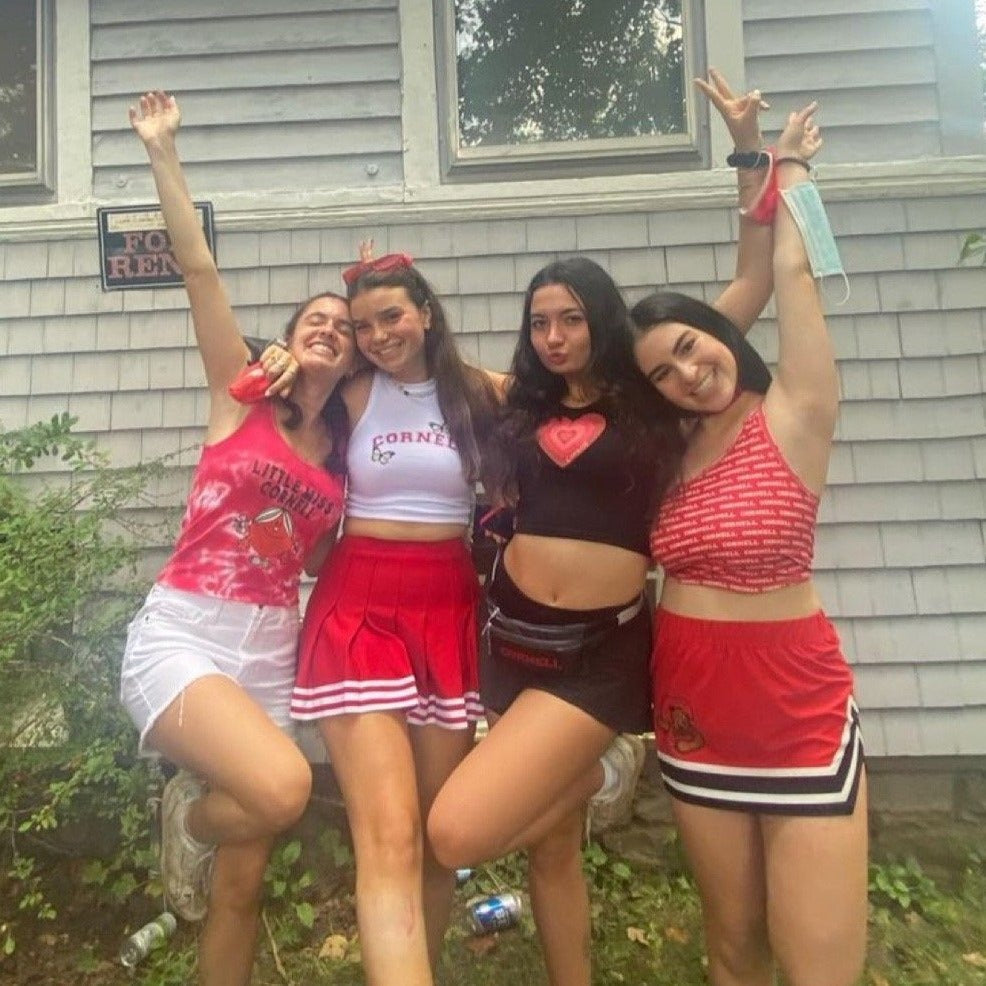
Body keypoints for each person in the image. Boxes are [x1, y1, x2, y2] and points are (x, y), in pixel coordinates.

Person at [425, 71, 781, 986]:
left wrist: (748, 154)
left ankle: (592, 765)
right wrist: (396, 299)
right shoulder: (519, 400)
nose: (554, 337)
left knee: (456, 830)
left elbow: (752, 280)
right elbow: (429, 359)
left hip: (599, 656)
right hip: (512, 643)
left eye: (572, 318)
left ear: (601, 318)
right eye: (540, 322)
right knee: (550, 849)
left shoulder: (651, 395)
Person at [119, 91, 355, 986]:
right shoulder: (240, 399)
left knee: (243, 890)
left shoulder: (343, 464)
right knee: (284, 789)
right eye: (314, 320)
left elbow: (321, 559)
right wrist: (163, 153)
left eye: (344, 327)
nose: (330, 328)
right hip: (185, 631)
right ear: (288, 343)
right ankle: (189, 820)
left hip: (270, 651)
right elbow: (199, 273)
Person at [629, 105, 867, 986]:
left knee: (816, 965)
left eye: (691, 347)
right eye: (662, 373)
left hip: (795, 709)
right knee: (732, 948)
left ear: (721, 335)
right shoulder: (667, 451)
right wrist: (746, 165)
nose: (688, 374)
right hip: (693, 709)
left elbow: (779, 275)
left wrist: (785, 167)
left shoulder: (795, 412)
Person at [287, 255, 501, 986]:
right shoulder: (354, 391)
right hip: (360, 607)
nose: (378, 336)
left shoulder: (477, 392)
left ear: (426, 314)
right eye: (364, 325)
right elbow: (282, 382)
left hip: (448, 609)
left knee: (438, 837)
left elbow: (572, 391)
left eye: (392, 317)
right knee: (390, 835)